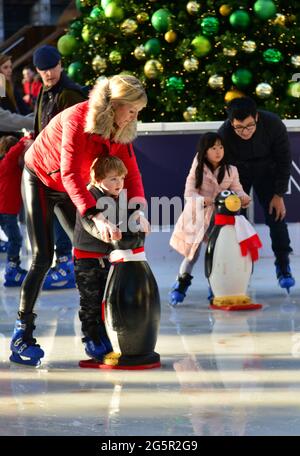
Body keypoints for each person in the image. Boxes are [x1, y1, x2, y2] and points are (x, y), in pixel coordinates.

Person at [9, 74, 149, 367]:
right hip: (42, 180)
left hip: (73, 187)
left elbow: (132, 174)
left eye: (138, 112)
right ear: (115, 104)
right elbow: (70, 173)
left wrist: (137, 210)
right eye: (132, 111)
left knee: (95, 255)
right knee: (43, 256)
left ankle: (93, 331)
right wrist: (96, 216)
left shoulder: (119, 128)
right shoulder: (78, 119)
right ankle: (23, 332)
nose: (134, 118)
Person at [218, 96, 295, 291]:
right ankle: (240, 267)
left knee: (276, 218)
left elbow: (284, 160)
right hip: (237, 176)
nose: (245, 132)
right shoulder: (225, 134)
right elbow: (222, 169)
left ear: (257, 117)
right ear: (231, 123)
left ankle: (283, 265)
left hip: (267, 172)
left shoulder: (273, 124)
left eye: (249, 126)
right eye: (239, 127)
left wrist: (278, 194)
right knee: (236, 223)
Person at [169, 132, 251, 306]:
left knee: (216, 255)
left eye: (221, 147)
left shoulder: (231, 170)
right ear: (205, 151)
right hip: (197, 217)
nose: (218, 151)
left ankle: (215, 288)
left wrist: (243, 198)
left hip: (220, 220)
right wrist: (201, 200)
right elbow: (189, 192)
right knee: (192, 255)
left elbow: (238, 190)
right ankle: (181, 284)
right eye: (213, 148)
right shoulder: (198, 166)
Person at [32, 44, 87, 290]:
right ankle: (66, 260)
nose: (49, 73)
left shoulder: (69, 93)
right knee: (55, 214)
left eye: (52, 68)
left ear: (60, 64)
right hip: (49, 165)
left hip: (66, 168)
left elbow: (77, 134)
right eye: (44, 70)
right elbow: (41, 125)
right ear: (38, 71)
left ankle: (68, 261)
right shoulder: (46, 90)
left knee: (66, 216)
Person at [73, 155, 128, 361]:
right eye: (113, 179)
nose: (119, 183)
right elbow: (91, 225)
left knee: (106, 301)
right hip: (86, 259)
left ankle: (103, 335)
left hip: (107, 259)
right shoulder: (89, 197)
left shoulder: (117, 198)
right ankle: (90, 337)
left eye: (121, 178)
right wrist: (109, 234)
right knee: (91, 301)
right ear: (97, 179)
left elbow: (124, 220)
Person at [0, 135, 33, 286]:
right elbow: (15, 151)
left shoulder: (10, 164)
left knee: (15, 239)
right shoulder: (8, 161)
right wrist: (29, 136)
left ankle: (14, 267)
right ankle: (11, 270)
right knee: (16, 239)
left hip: (8, 210)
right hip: (6, 211)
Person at [0, 54, 30, 120]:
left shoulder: (10, 85)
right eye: (5, 67)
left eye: (10, 67)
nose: (9, 70)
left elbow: (23, 107)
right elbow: (6, 111)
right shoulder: (2, 87)